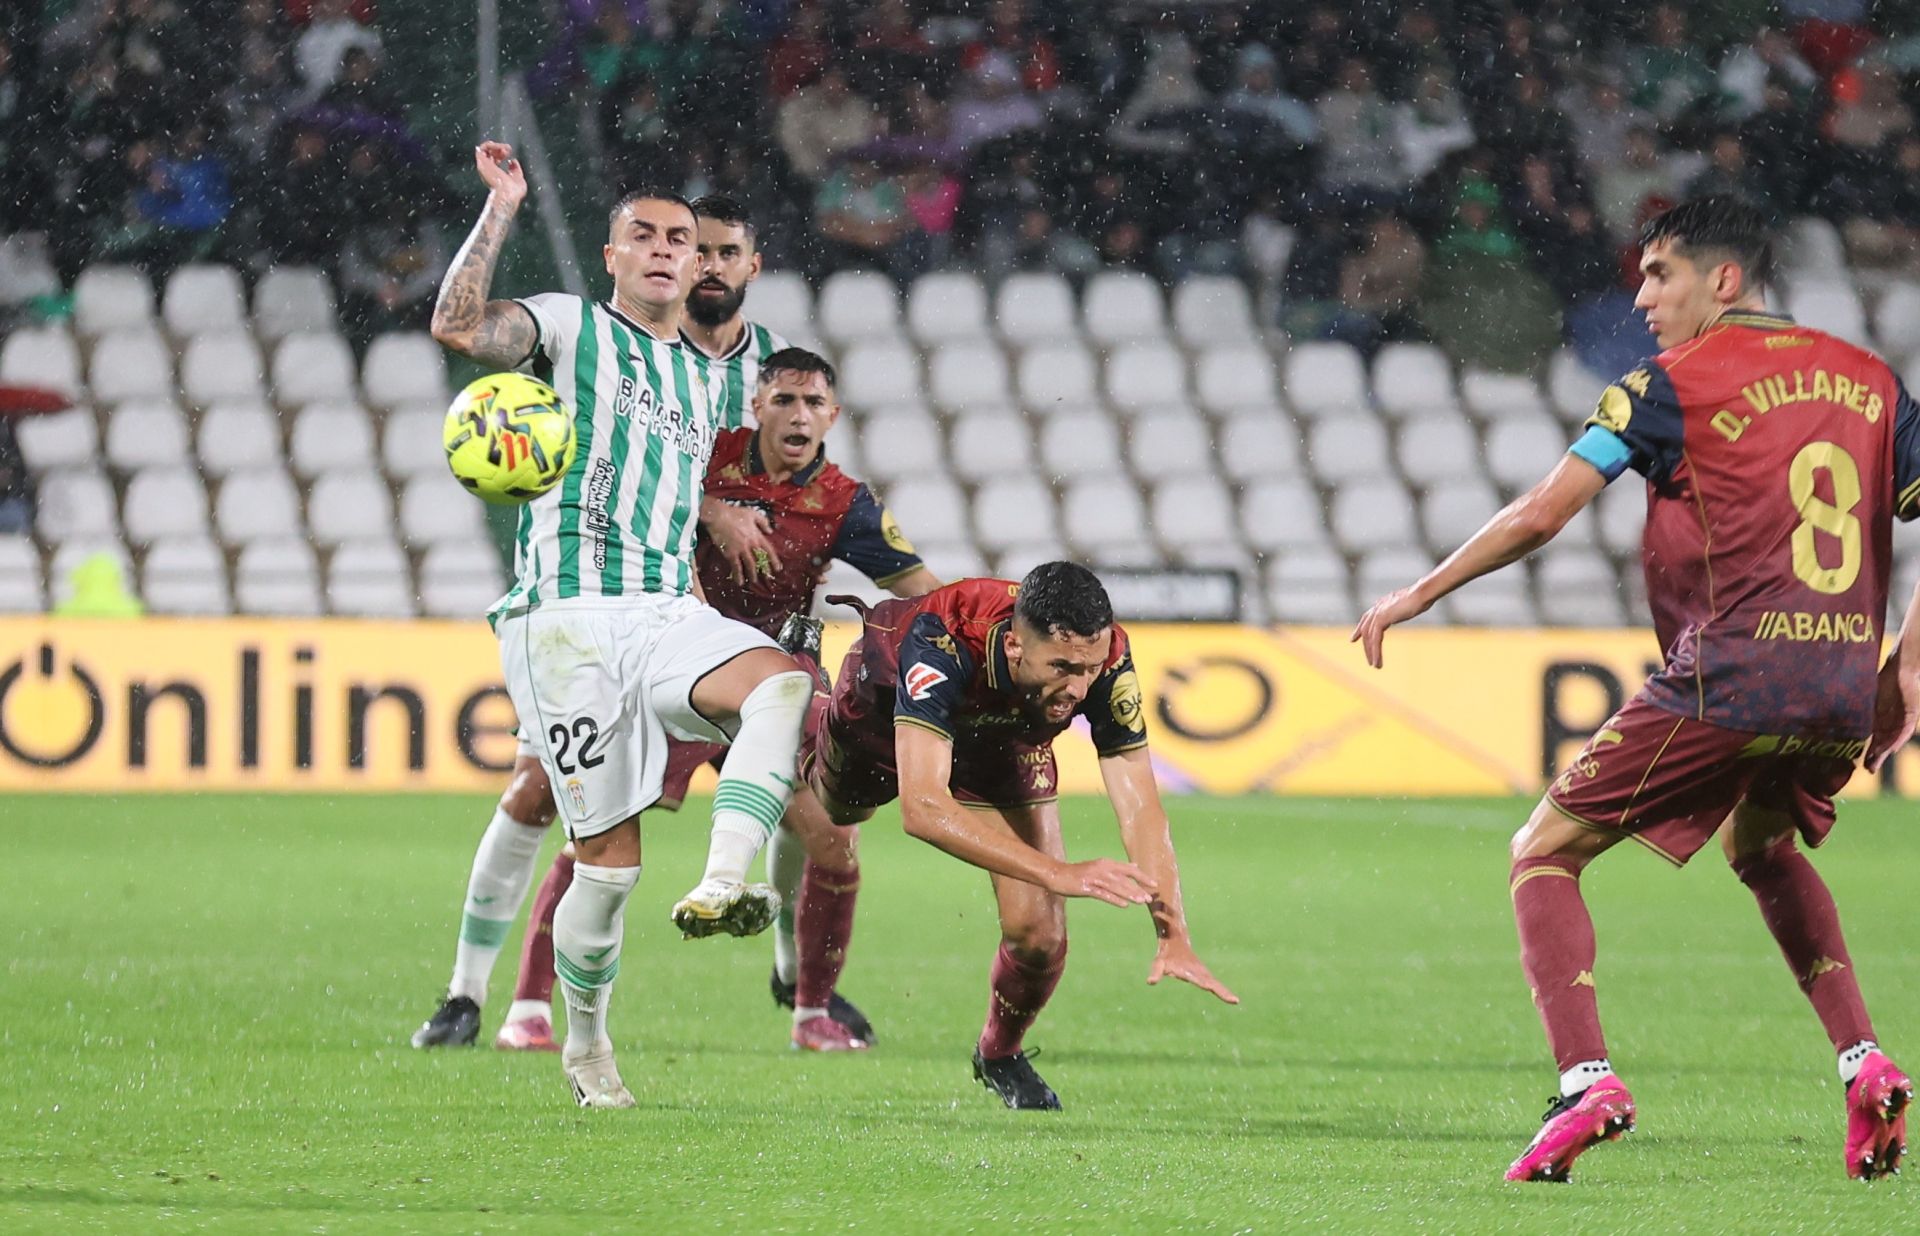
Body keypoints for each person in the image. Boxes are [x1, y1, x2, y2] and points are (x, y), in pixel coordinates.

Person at [1354, 196, 1916, 1182]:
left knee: (1545, 853)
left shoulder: (1666, 385)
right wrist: (1906, 663)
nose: (1644, 296)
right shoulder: (1872, 381)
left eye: (1662, 274)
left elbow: (1543, 513)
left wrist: (1419, 591)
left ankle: (1587, 1082)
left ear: (1725, 280)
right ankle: (1866, 1063)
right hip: (1835, 681)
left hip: (1732, 675)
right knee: (1767, 849)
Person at [423, 141, 816, 1109]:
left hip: (666, 610)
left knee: (780, 683)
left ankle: (728, 877)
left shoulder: (725, 379)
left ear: (700, 263)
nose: (661, 250)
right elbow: (457, 324)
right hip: (563, 621)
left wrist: (720, 508)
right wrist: (503, 208)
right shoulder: (566, 330)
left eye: (679, 240)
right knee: (607, 864)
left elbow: (730, 469)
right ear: (611, 257)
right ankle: (586, 1044)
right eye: (640, 235)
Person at [492, 349, 943, 1057]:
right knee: (598, 832)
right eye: (785, 399)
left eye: (813, 403)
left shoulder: (846, 501)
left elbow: (924, 592)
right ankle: (527, 1006)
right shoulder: (706, 456)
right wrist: (709, 509)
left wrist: (936, 644)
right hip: (674, 660)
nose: (798, 415)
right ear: (758, 404)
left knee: (834, 840)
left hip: (770, 678)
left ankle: (811, 1011)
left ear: (834, 415)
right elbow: (634, 496)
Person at [804, 563, 1238, 1110]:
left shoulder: (1106, 660)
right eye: (1061, 666)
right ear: (1013, 647)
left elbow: (1140, 804)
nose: (1079, 688)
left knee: (1040, 934)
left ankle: (1000, 1053)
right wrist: (1061, 872)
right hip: (881, 713)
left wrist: (1172, 931)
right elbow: (923, 808)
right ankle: (806, 706)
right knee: (838, 811)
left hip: (1005, 739)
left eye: (1088, 668)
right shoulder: (943, 636)